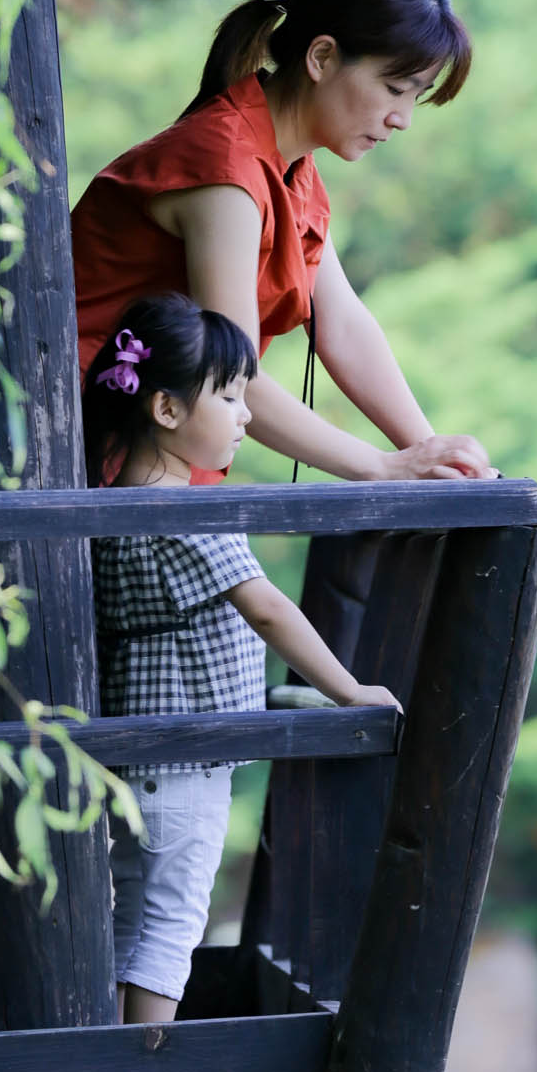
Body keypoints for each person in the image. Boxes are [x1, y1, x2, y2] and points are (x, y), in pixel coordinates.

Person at [83, 294, 399, 1025]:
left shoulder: (109, 506)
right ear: (165, 410)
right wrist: (348, 689)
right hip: (187, 763)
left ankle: (109, 1060)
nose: (246, 415)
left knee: (131, 920)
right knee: (171, 928)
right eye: (229, 397)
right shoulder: (190, 510)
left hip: (134, 761)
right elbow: (267, 607)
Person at [70, 0, 494, 484]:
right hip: (98, 462)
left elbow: (342, 326)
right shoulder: (225, 167)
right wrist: (385, 467)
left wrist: (436, 457)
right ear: (321, 58)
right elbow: (232, 372)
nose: (402, 118)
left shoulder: (293, 168)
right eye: (394, 88)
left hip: (168, 463)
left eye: (417, 96)